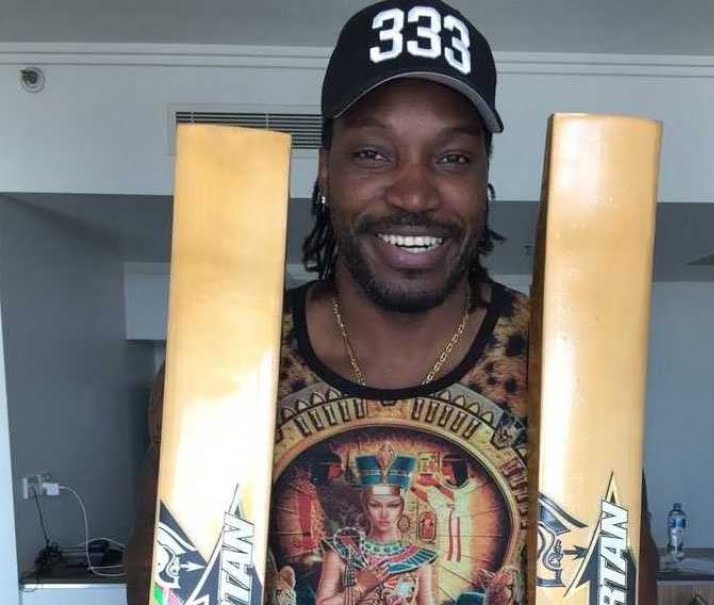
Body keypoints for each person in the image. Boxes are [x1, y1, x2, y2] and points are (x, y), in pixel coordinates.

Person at [124, 1, 658, 604]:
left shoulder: (568, 366)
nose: (413, 193)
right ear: (325, 172)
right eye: (373, 154)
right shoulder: (221, 363)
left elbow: (619, 576)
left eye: (452, 158)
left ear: (483, 182)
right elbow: (165, 574)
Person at [316, 443, 436, 605]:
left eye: (393, 505)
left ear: (402, 508)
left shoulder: (419, 560)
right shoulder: (341, 551)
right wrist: (360, 587)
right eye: (375, 505)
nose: (384, 514)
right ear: (365, 507)